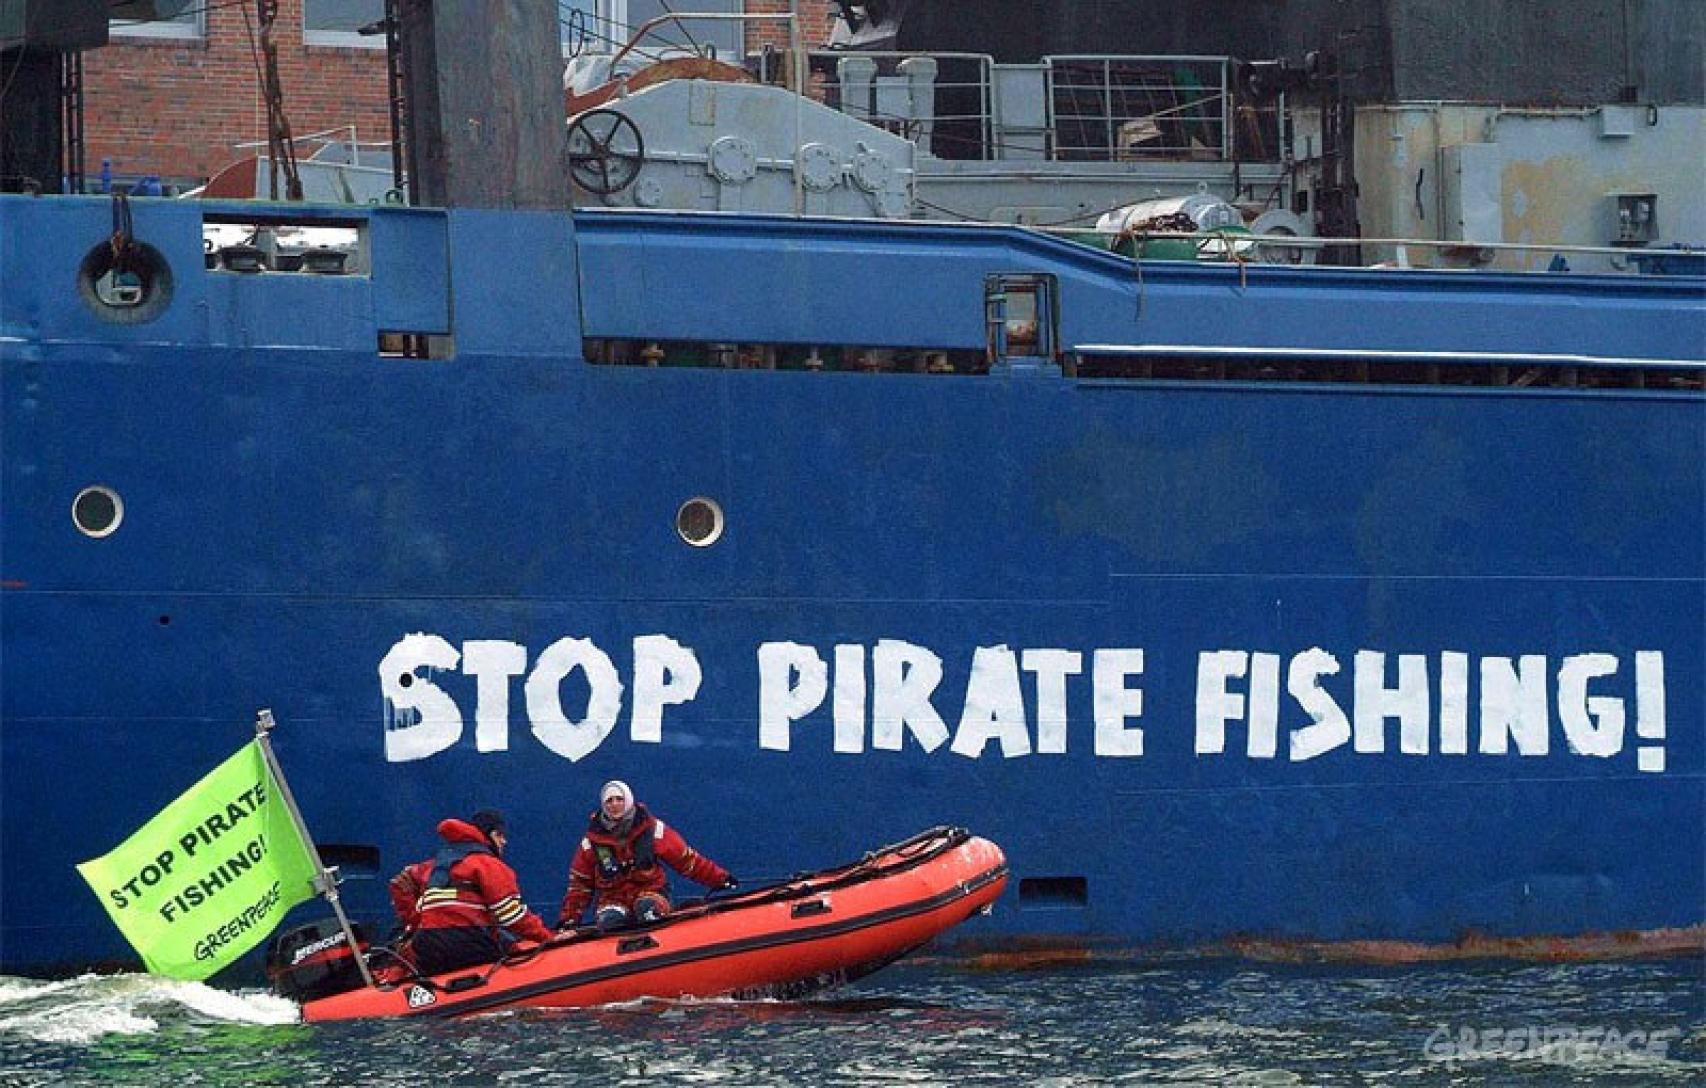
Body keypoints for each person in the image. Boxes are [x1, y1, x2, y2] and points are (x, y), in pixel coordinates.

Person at [387, 809, 553, 976]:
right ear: (490, 836)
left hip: (429, 944)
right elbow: (512, 915)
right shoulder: (487, 864)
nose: (504, 841)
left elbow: (399, 883)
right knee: (504, 947)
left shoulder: (435, 865)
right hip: (468, 942)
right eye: (500, 835)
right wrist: (548, 938)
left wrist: (414, 923)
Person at [557, 781, 736, 932]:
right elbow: (579, 886)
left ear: (628, 800)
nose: (614, 804)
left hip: (652, 892)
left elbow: (687, 862)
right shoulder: (591, 843)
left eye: (619, 799)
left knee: (647, 910)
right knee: (609, 921)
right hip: (613, 900)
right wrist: (569, 919)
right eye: (609, 801)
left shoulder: (653, 830)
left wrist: (721, 879)